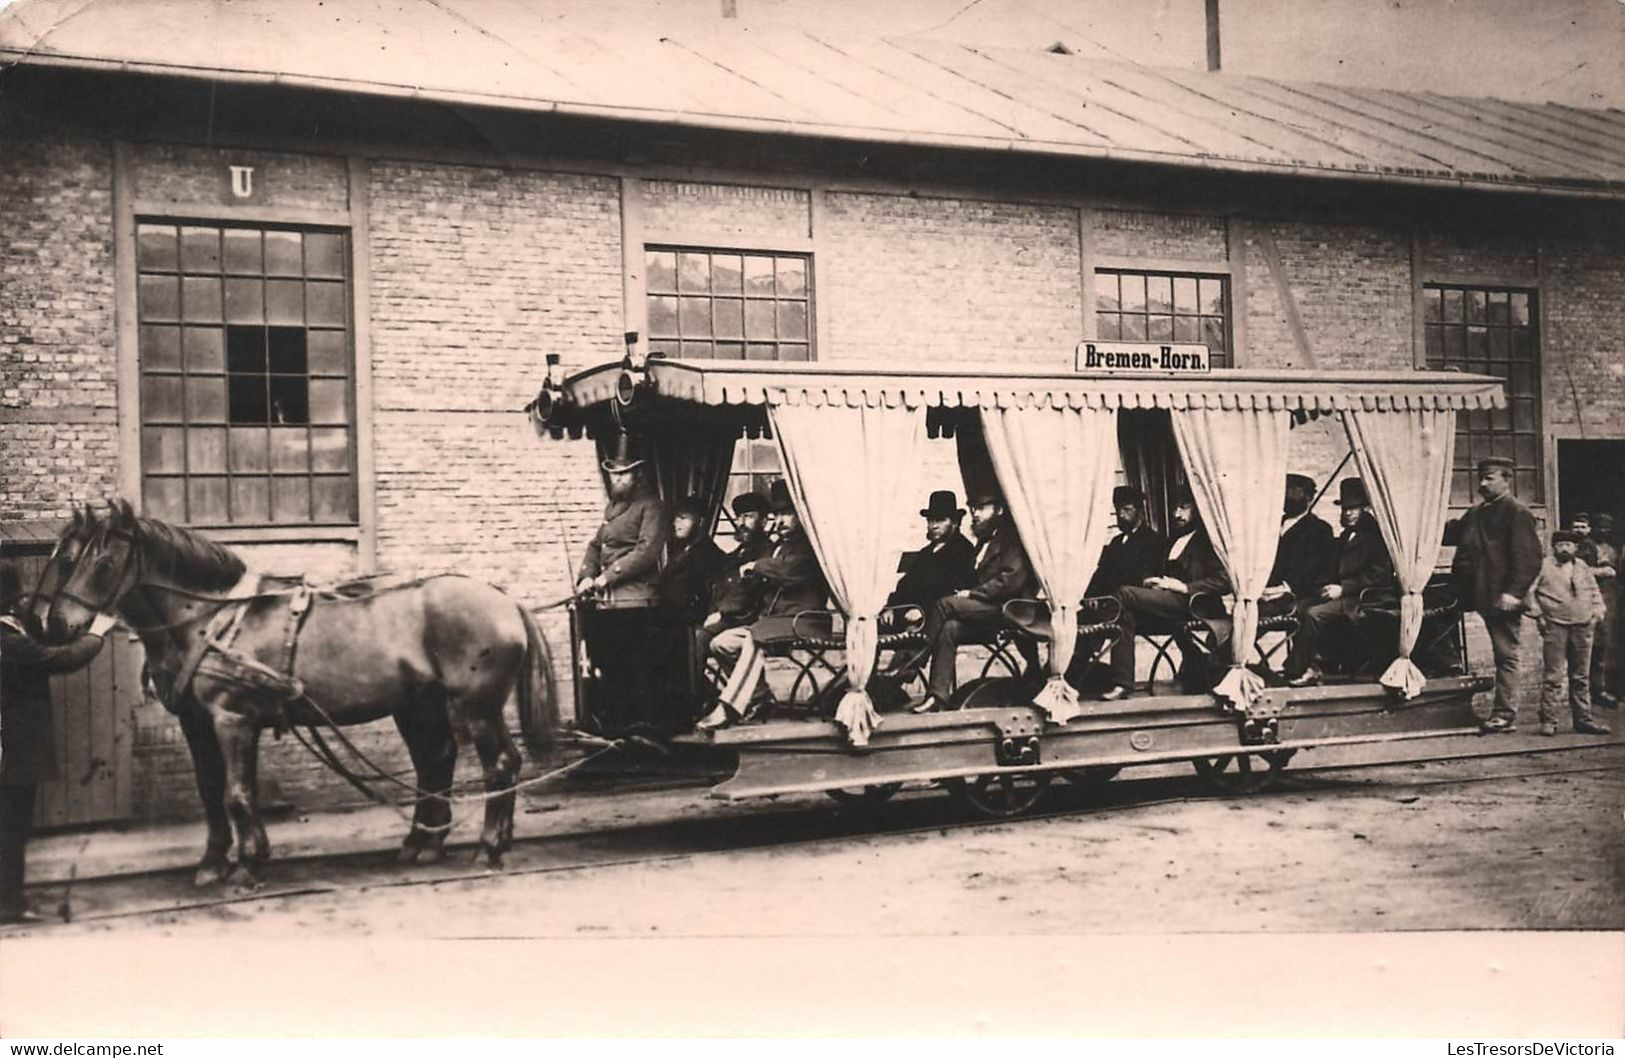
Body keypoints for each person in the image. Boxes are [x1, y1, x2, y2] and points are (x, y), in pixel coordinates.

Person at [1, 562, 112, 924]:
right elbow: (60, 657)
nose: (24, 602)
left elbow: (44, 637)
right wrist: (99, 633)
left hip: (10, 752)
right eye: (18, 597)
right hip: (12, 755)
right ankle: (10, 906)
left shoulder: (14, 632)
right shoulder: (10, 641)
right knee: (12, 829)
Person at [698, 482, 829, 730]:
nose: (780, 520)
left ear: (801, 515)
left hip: (805, 620)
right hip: (777, 622)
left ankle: (729, 707)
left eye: (787, 514)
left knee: (753, 639)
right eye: (778, 514)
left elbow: (790, 571)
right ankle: (760, 698)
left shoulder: (813, 546)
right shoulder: (782, 546)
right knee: (721, 643)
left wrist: (756, 566)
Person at [909, 488, 1040, 714]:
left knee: (944, 604)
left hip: (1008, 609)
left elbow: (1010, 581)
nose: (975, 514)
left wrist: (972, 594)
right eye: (973, 509)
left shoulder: (1011, 539)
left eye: (981, 509)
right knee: (949, 628)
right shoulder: (983, 540)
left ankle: (911, 664)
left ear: (998, 510)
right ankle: (937, 696)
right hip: (987, 611)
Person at [1444, 456, 1543, 734]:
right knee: (1436, 624)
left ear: (1507, 479)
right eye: (1482, 478)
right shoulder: (1476, 513)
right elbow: (1450, 534)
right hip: (1472, 593)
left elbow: (1529, 559)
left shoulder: (1517, 513)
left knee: (1505, 654)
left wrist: (1514, 593)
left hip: (1501, 597)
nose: (1482, 483)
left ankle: (1504, 715)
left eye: (1489, 478)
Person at [1104, 486, 1231, 700]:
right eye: (1174, 508)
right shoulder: (1173, 540)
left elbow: (1224, 581)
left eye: (1183, 508)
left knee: (1123, 595)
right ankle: (1122, 683)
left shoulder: (1208, 541)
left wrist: (1184, 587)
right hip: (1170, 605)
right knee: (1124, 615)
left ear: (1198, 509)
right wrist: (1152, 582)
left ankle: (1197, 661)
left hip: (1195, 604)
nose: (1176, 514)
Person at [574, 451, 670, 734]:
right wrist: (586, 576)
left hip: (637, 600)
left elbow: (646, 551)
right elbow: (595, 546)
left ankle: (643, 727)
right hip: (609, 602)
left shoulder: (652, 507)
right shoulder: (613, 510)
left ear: (638, 476)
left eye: (623, 473)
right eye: (613, 474)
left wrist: (607, 577)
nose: (616, 479)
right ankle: (615, 725)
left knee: (635, 667)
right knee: (609, 665)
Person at [1283, 478, 1396, 686]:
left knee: (1314, 614)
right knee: (1300, 607)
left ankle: (1296, 670)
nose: (1347, 513)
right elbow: (1332, 568)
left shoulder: (1377, 536)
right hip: (1345, 596)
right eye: (1345, 508)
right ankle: (1316, 664)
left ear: (1365, 509)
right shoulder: (1346, 536)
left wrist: (1343, 589)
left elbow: (1379, 576)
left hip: (1366, 598)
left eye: (1353, 509)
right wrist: (1324, 586)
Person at [1524, 529, 1610, 736]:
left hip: (1583, 626)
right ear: (1553, 547)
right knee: (1554, 676)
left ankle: (1583, 720)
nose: (1564, 548)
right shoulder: (1543, 566)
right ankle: (1549, 721)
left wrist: (1596, 614)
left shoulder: (1582, 567)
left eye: (1569, 544)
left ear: (1576, 548)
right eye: (1560, 544)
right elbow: (1528, 592)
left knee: (1581, 676)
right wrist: (1538, 615)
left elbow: (1594, 592)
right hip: (1556, 626)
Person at [887, 490, 976, 612]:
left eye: (940, 520)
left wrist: (922, 610)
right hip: (911, 613)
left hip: (939, 616)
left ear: (955, 522)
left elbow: (952, 590)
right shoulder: (925, 553)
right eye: (930, 520)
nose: (933, 526)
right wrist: (891, 607)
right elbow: (906, 584)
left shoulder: (964, 550)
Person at [1264, 473, 1336, 603]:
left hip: (1296, 594)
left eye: (1293, 492)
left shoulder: (1320, 529)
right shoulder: (1271, 525)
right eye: (1284, 492)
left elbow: (1313, 569)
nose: (1286, 496)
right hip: (1264, 589)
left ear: (1309, 498)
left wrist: (1284, 589)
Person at [655, 496, 727, 624]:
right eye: (676, 518)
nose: (676, 524)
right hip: (668, 617)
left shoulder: (711, 556)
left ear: (700, 522)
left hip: (686, 623)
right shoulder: (683, 550)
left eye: (683, 518)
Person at [1591, 513, 1620, 708]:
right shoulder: (1586, 548)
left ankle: (1608, 688)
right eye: (1599, 528)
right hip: (1591, 601)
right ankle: (1594, 690)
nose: (1602, 532)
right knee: (1594, 647)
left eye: (1606, 529)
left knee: (1609, 646)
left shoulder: (1613, 550)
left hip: (1612, 602)